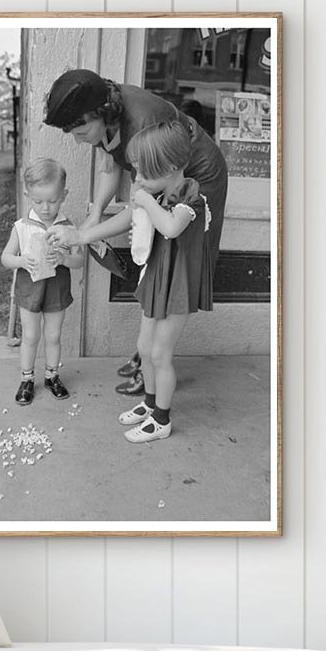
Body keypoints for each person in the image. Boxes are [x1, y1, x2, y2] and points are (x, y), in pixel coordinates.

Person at [42, 69, 228, 394]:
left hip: (199, 175)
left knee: (175, 265)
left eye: (79, 128)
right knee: (157, 264)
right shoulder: (105, 114)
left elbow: (138, 206)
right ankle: (147, 352)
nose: (76, 137)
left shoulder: (145, 123)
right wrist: (95, 215)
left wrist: (84, 235)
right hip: (162, 186)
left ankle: (154, 360)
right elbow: (111, 165)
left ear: (101, 113)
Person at [107, 120, 210, 443]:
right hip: (156, 279)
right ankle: (149, 403)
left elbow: (170, 228)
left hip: (178, 286)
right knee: (144, 348)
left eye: (143, 172)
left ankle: (162, 420)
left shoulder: (193, 199)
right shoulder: (162, 194)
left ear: (171, 167)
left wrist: (146, 202)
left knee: (161, 354)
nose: (137, 180)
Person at [0, 159, 84, 406]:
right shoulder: (22, 226)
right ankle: (27, 379)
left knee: (54, 335)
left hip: (56, 289)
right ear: (28, 196)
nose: (46, 208)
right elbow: (6, 258)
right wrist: (22, 261)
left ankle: (52, 375)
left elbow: (79, 260)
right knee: (30, 335)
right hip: (29, 290)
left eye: (53, 200)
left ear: (64, 195)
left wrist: (64, 258)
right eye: (38, 201)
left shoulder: (68, 227)